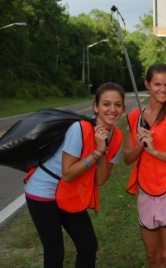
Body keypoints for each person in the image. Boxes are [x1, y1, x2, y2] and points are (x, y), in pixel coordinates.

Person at [24, 82, 126, 268]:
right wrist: (97, 152)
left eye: (118, 105)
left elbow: (100, 180)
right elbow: (69, 174)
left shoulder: (117, 137)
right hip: (43, 190)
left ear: (123, 108)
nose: (112, 109)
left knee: (88, 245)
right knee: (55, 252)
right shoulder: (79, 129)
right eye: (106, 104)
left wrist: (103, 148)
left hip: (69, 193)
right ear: (96, 107)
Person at [124, 62, 166, 268]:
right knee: (153, 258)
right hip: (146, 192)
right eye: (157, 84)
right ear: (147, 84)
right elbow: (127, 158)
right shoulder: (135, 117)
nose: (162, 89)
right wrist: (140, 146)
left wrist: (154, 151)